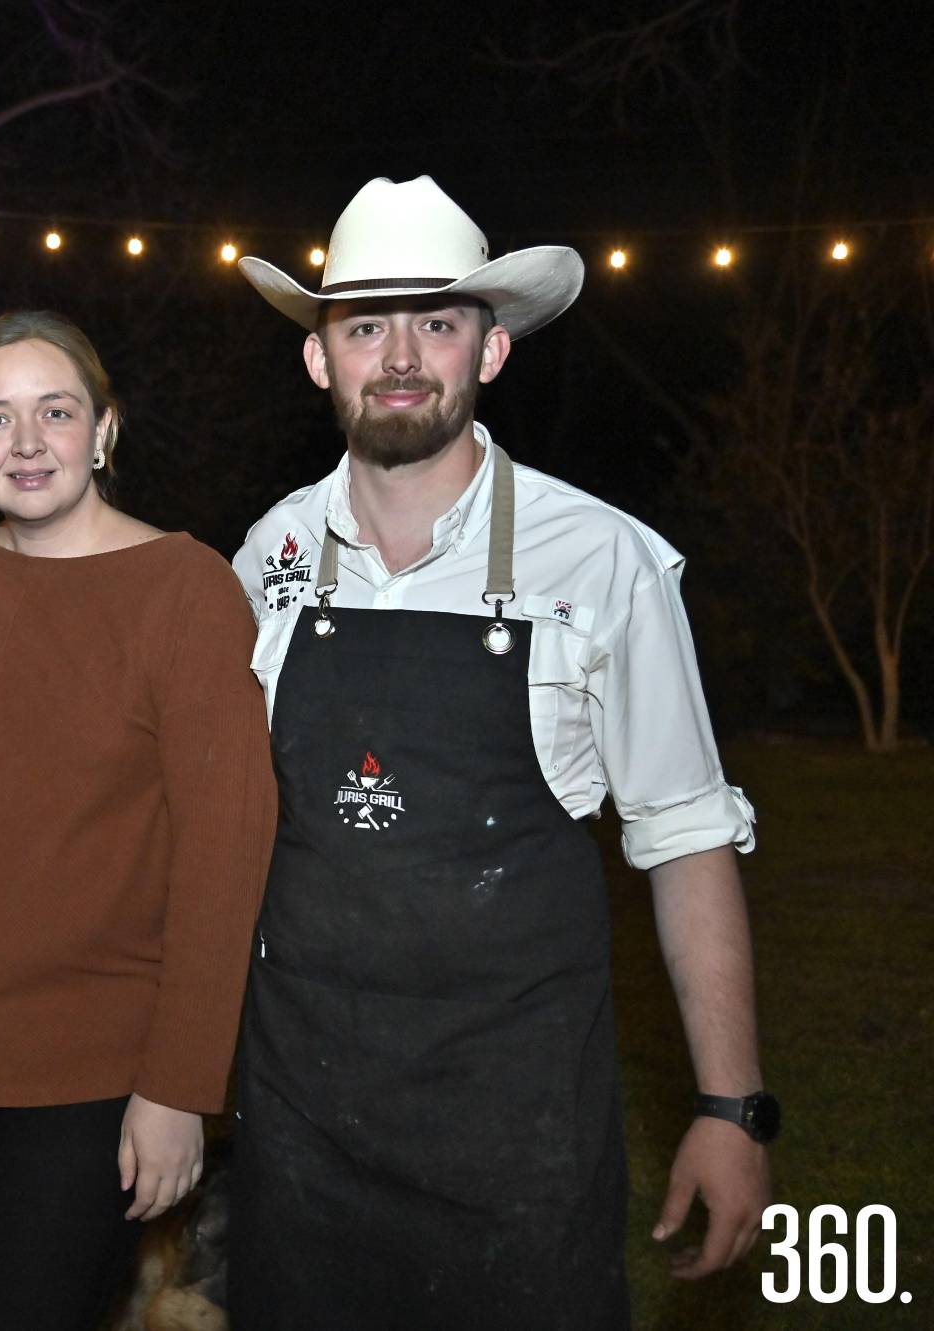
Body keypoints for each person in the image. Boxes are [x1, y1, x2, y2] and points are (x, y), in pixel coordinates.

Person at [226, 176, 773, 1328]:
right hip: (299, 1123)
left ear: (490, 349)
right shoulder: (265, 555)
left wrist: (729, 1106)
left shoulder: (601, 560)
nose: (399, 358)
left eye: (435, 322)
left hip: (515, 1132)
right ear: (318, 359)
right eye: (364, 326)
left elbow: (683, 836)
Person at [0, 310, 276, 1329]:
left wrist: (179, 1087)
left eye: (55, 411)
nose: (27, 441)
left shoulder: (186, 587)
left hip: (86, 1071)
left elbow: (225, 854)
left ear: (103, 430)